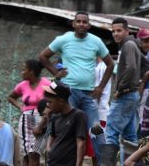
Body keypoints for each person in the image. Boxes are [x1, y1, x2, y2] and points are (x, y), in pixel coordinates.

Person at [39, 11, 113, 155]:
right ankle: (64, 160)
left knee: (96, 129)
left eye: (84, 22)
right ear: (73, 24)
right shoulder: (63, 39)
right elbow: (43, 56)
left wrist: (100, 87)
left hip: (89, 93)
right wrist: (55, 72)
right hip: (69, 92)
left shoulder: (96, 41)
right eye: (78, 21)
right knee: (67, 127)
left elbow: (110, 64)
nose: (81, 24)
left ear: (89, 25)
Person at [103, 17, 142, 166]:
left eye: (119, 30)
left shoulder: (128, 45)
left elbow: (131, 68)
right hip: (132, 95)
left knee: (111, 132)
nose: (115, 34)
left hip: (125, 95)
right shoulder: (131, 45)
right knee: (130, 135)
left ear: (127, 31)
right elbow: (143, 64)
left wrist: (120, 88)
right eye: (113, 31)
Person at [40, 80, 88, 166]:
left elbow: (81, 142)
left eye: (50, 102)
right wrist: (48, 147)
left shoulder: (78, 115)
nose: (48, 105)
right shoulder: (55, 116)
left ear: (61, 101)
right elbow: (52, 134)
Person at [7, 58, 51, 166]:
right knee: (26, 152)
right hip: (26, 120)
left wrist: (42, 124)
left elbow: (53, 101)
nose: (22, 72)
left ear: (31, 71)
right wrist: (20, 107)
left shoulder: (46, 83)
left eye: (23, 70)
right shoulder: (22, 85)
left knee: (34, 152)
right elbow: (10, 97)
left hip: (42, 120)